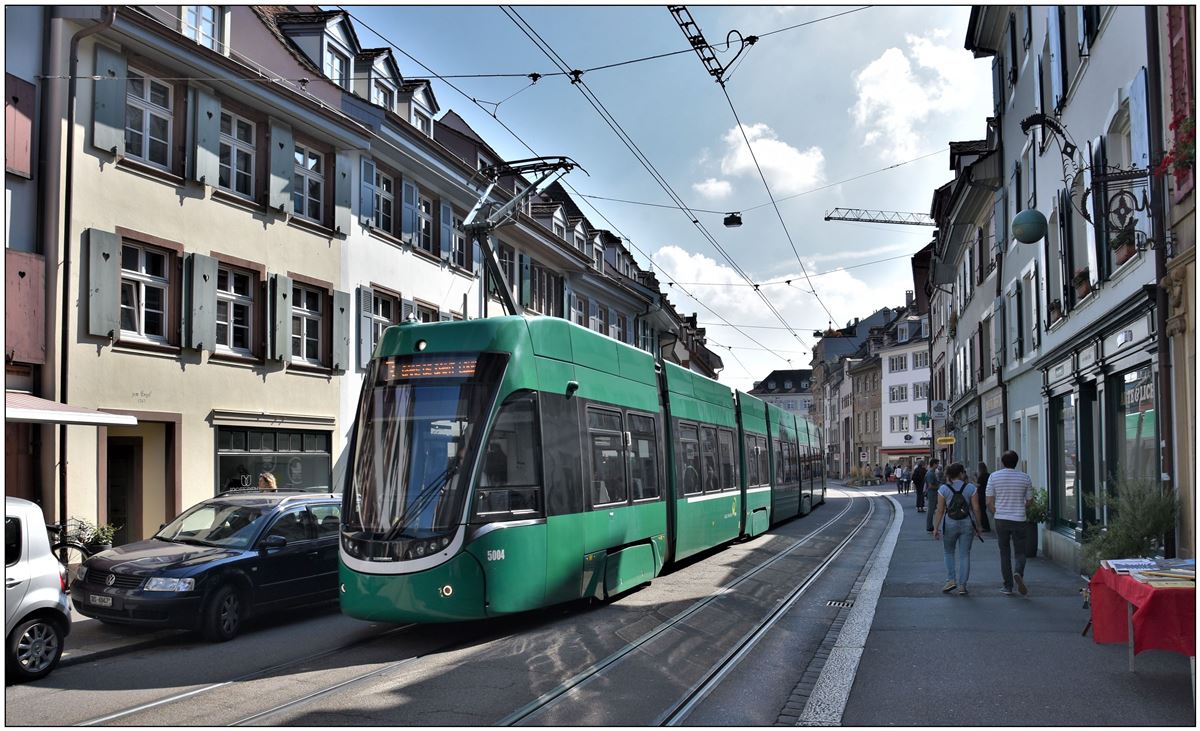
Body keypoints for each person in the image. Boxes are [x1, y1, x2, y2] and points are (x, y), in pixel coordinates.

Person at [987, 450, 1034, 596]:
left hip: (1001, 518)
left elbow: (988, 501)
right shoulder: (1025, 478)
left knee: (1004, 552)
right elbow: (1030, 501)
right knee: (1020, 551)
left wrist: (997, 511)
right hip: (1019, 518)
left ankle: (1007, 586)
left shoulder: (994, 477)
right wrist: (1020, 508)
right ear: (1017, 462)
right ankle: (1018, 572)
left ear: (1002, 462)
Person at [931, 462, 982, 595]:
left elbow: (940, 510)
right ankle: (962, 586)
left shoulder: (943, 489)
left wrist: (935, 528)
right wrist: (979, 525)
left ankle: (951, 580)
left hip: (949, 523)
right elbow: (976, 508)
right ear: (961, 473)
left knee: (948, 552)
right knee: (965, 554)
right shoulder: (971, 488)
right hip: (967, 523)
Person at [924, 459, 944, 531]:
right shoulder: (930, 473)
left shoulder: (932, 472)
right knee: (931, 510)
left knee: (933, 510)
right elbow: (930, 485)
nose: (938, 465)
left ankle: (932, 526)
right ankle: (929, 526)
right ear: (934, 464)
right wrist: (939, 486)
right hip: (932, 493)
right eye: (937, 464)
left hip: (934, 493)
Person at [975, 461, 992, 532]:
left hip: (981, 494)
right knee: (983, 510)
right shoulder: (988, 475)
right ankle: (985, 526)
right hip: (986, 494)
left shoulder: (981, 476)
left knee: (982, 511)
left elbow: (978, 484)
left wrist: (973, 481)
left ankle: (985, 526)